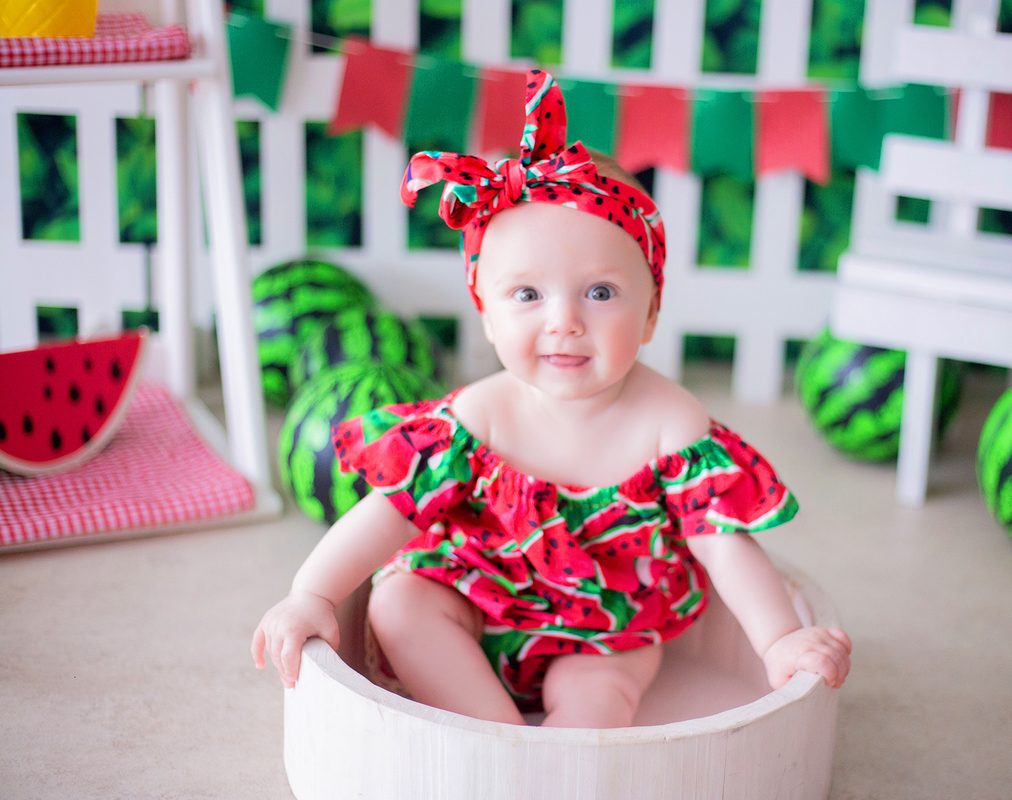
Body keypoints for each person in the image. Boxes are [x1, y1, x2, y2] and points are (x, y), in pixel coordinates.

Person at [252, 69, 850, 729]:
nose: (563, 321)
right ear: (485, 312)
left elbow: (724, 546)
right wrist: (311, 595)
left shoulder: (670, 424)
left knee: (602, 690)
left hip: (605, 632)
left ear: (651, 315)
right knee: (401, 605)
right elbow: (385, 515)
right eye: (528, 295)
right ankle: (492, 732)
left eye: (599, 292)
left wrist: (776, 639)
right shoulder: (476, 418)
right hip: (475, 598)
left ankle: (560, 756)